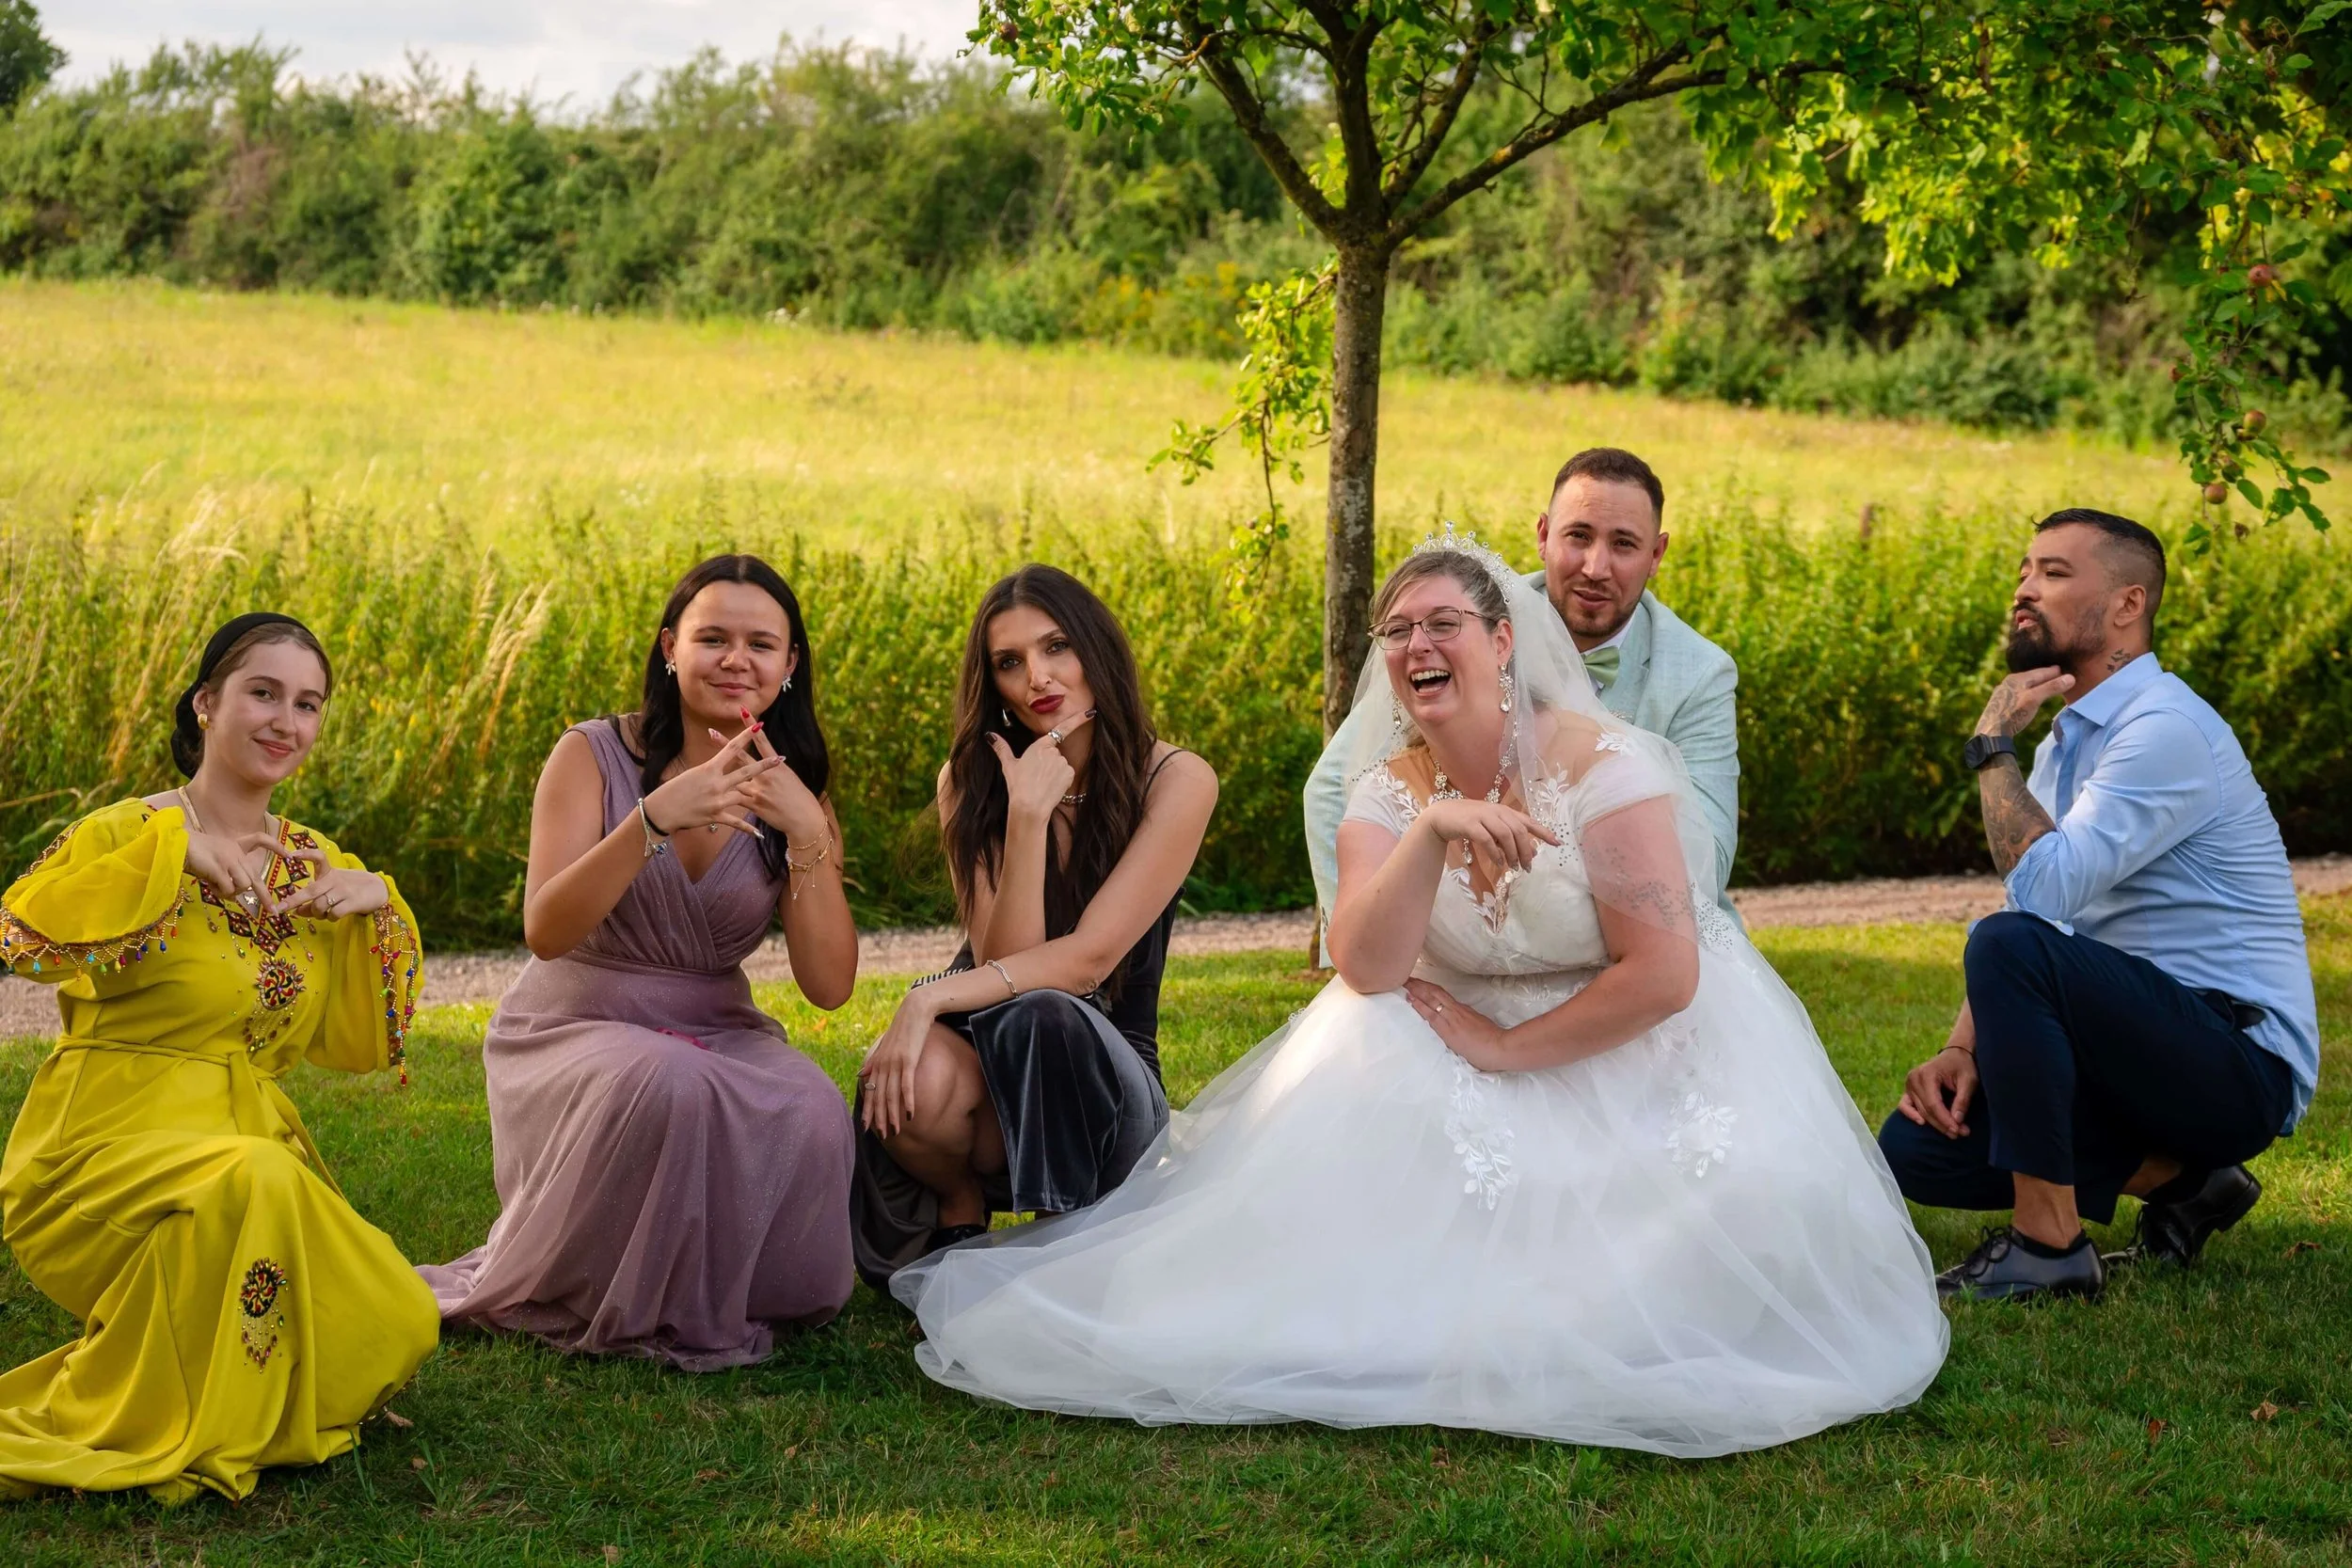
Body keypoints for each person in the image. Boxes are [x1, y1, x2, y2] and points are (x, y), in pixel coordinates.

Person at [888, 541, 1946, 1454]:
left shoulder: (1610, 771)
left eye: (1441, 622)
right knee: (1318, 1209)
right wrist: (1432, 837)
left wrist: (1502, 1046)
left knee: (1683, 1235)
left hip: (1631, 1031)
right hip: (1441, 1016)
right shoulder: (1388, 785)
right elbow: (1366, 963)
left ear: (1501, 640)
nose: (1413, 645)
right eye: (1395, 629)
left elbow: (1665, 974)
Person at [0, 613, 434, 1504]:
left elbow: (355, 1041)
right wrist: (169, 860)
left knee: (401, 1316)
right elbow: (21, 932)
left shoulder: (314, 859)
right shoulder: (129, 831)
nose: (286, 721)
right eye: (263, 693)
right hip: (101, 1139)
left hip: (241, 1139)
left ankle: (223, 1393)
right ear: (206, 703)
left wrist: (378, 902)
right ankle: (189, 1419)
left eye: (307, 704)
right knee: (255, 1181)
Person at [421, 556, 858, 1369]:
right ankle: (607, 1283)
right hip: (574, 1017)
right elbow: (546, 929)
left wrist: (807, 833)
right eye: (713, 637)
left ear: (790, 664)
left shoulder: (799, 791)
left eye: (762, 643)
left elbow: (829, 986)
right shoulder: (591, 755)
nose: (738, 659)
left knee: (811, 1103)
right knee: (665, 1082)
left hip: (713, 1022)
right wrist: (651, 821)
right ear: (669, 647)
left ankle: (745, 1287)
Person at [1882, 510, 2319, 1303]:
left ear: (2128, 603)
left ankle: (2048, 1248)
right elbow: (2038, 910)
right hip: (2137, 1045)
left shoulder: (2164, 728)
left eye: (2053, 573)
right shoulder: (2067, 743)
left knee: (2006, 943)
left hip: (2235, 1058)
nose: (2024, 589)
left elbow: (2035, 904)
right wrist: (1963, 1053)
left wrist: (1991, 744)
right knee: (1921, 1149)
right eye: (2023, 570)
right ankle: (2191, 1184)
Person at [850, 565, 1218, 1288]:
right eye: (1010, 662)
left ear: (1095, 650)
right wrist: (1026, 815)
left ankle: (1067, 1244)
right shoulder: (968, 779)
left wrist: (926, 995)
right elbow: (1004, 968)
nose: (1038, 678)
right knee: (910, 1079)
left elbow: (1086, 962)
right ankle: (958, 1203)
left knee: (1047, 1014)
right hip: (988, 1058)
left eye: (1057, 647)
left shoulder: (1175, 778)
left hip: (1111, 1077)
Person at [1305, 447, 1739, 929]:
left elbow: (1709, 857)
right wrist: (1364, 937)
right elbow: (1329, 790)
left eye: (1623, 544)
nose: (1595, 567)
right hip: (1464, 945)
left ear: (1656, 554)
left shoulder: (1699, 673)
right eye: (1578, 536)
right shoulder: (1455, 624)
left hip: (1643, 936)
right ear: (1543, 535)